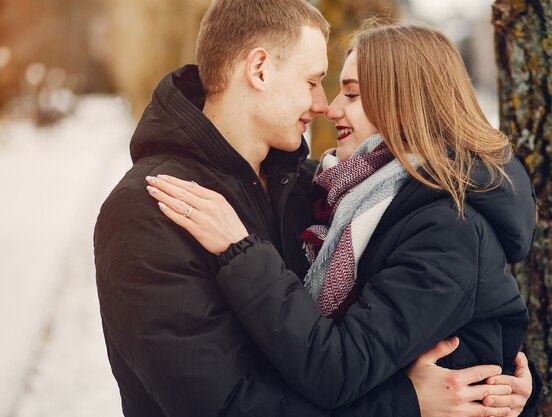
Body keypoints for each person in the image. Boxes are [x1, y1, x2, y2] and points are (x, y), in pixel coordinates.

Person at [95, 0, 529, 415]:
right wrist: (405, 405)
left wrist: (500, 384)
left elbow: (385, 331)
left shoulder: (311, 193)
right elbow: (224, 407)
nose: (323, 105)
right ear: (259, 70)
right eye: (311, 81)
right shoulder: (150, 210)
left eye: (344, 90)